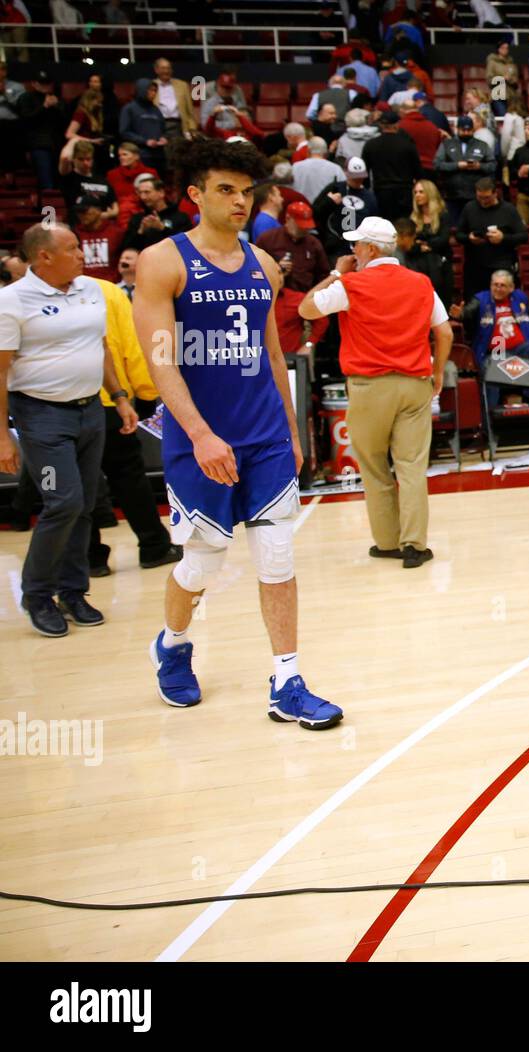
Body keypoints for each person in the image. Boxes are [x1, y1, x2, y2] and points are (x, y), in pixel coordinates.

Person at [131, 137, 342, 728]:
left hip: (265, 437)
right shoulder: (162, 261)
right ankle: (172, 644)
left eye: (247, 191)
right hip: (198, 439)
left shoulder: (265, 264)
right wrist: (198, 433)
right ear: (196, 194)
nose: (240, 201)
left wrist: (293, 429)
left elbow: (273, 353)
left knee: (277, 556)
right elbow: (161, 360)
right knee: (203, 560)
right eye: (226, 190)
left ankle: (287, 680)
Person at [0, 223, 137, 637]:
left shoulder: (91, 290)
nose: (82, 254)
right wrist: (2, 435)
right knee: (63, 501)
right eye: (73, 248)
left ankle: (73, 591)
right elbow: (0, 370)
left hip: (90, 410)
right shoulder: (11, 301)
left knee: (87, 502)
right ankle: (37, 595)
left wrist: (121, 395)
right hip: (41, 416)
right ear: (44, 256)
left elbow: (100, 346)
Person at [299, 215, 452, 567]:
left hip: (369, 387)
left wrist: (338, 272)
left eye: (356, 245)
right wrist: (438, 371)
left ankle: (387, 542)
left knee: (374, 466)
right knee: (412, 466)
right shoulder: (421, 283)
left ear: (369, 249)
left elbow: (306, 307)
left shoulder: (351, 285)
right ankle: (415, 545)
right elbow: (444, 333)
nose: (352, 251)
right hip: (415, 383)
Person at [86, 276, 182, 576]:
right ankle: (153, 545)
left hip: (70, 404)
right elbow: (132, 345)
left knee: (79, 485)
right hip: (109, 403)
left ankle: (90, 557)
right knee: (128, 476)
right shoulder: (106, 290)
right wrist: (144, 393)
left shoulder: (20, 295)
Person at [461, 269, 529, 406]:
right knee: (494, 365)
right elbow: (468, 313)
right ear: (490, 285)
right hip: (496, 350)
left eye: (502, 285)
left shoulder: (520, 298)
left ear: (511, 288)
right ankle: (491, 411)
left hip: (520, 348)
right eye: (495, 285)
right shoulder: (481, 299)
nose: (498, 289)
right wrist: (460, 314)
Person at [255, 201, 330, 354]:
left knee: (303, 356)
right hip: (274, 303)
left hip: (303, 306)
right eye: (300, 225)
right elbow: (254, 268)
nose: (304, 229)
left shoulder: (313, 244)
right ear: (288, 219)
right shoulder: (268, 239)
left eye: (307, 226)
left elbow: (323, 275)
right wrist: (277, 267)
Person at [456, 177, 527, 299]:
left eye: (487, 198)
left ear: (495, 193)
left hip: (501, 265)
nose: (483, 201)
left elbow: (524, 236)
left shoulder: (508, 210)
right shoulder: (470, 208)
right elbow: (458, 235)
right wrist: (469, 238)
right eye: (480, 197)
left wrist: (503, 238)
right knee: (474, 307)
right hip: (475, 267)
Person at [313, 156, 381, 258]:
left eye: (360, 176)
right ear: (346, 173)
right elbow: (315, 213)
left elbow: (374, 222)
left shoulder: (369, 196)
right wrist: (329, 202)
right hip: (335, 246)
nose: (358, 180)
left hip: (359, 247)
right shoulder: (335, 188)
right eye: (354, 177)